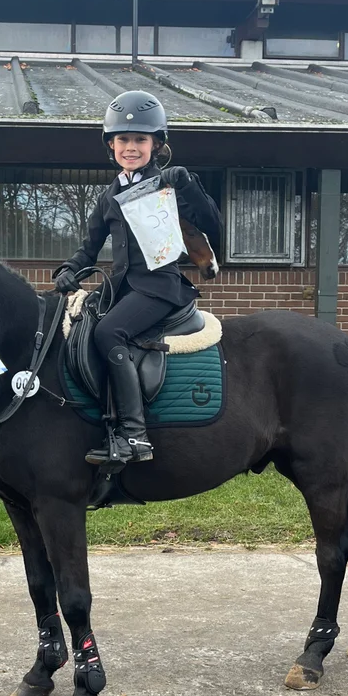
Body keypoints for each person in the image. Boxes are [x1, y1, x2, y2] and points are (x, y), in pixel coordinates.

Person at [53, 90, 221, 466]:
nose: (131, 147)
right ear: (111, 145)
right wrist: (68, 270)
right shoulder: (108, 197)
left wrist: (187, 183)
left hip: (160, 287)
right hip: (120, 289)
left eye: (140, 140)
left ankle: (134, 435)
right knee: (80, 327)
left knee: (108, 333)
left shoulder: (169, 184)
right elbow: (89, 248)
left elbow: (212, 224)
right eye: (123, 139)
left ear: (156, 144)